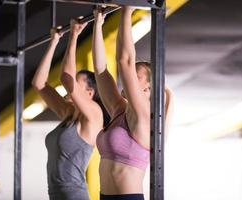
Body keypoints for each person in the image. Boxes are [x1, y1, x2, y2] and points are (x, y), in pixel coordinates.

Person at [93, 7, 173, 200]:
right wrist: (97, 24)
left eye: (135, 77)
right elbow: (100, 69)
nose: (127, 78)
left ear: (148, 89)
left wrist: (127, 11)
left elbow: (124, 60)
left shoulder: (145, 115)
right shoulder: (119, 110)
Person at [32, 18, 108, 200]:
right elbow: (39, 83)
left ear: (89, 93)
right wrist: (54, 42)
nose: (71, 83)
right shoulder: (68, 114)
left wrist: (74, 34)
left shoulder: (94, 115)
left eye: (77, 81)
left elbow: (66, 79)